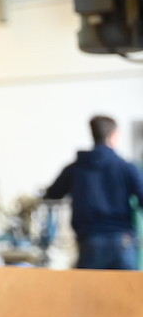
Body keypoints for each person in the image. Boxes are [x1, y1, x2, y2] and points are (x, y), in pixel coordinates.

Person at [45, 115, 143, 270]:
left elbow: (52, 194)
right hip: (122, 244)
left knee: (88, 294)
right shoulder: (127, 168)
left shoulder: (74, 169)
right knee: (127, 293)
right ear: (114, 136)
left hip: (90, 245)